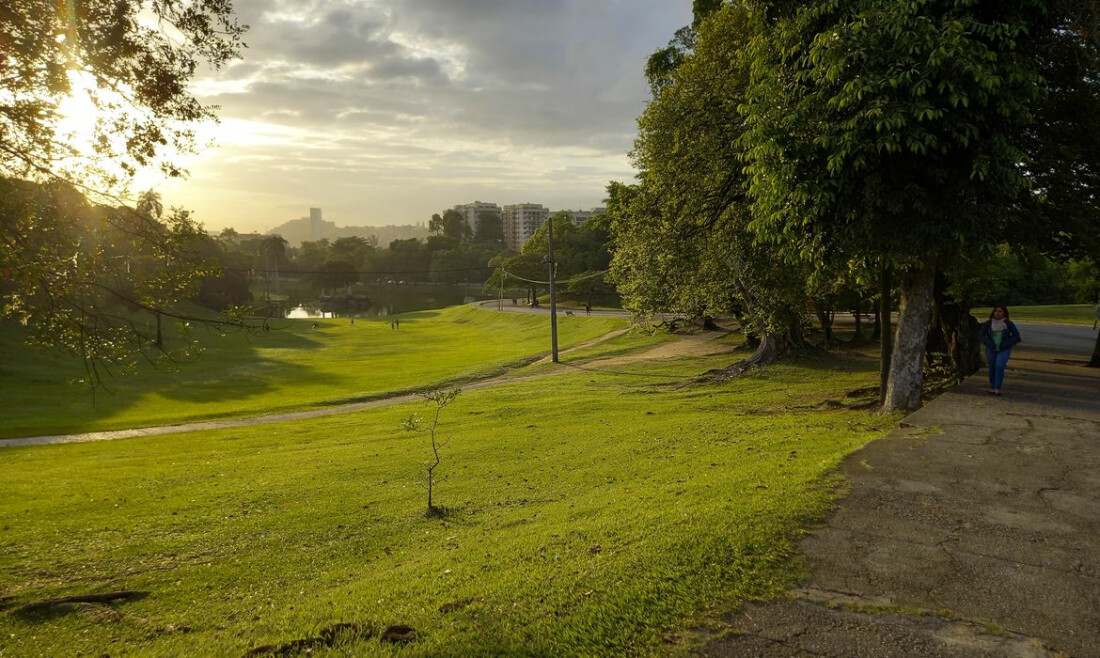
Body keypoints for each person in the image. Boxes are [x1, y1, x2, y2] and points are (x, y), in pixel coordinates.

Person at [978, 305, 1022, 396]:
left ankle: (998, 387)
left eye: (1000, 311)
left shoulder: (1008, 324)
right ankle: (992, 387)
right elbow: (981, 336)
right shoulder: (988, 323)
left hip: (1003, 348)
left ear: (1004, 313)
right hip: (991, 348)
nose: (997, 313)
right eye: (996, 311)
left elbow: (1016, 337)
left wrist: (1006, 344)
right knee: (992, 367)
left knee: (1000, 366)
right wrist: (988, 343)